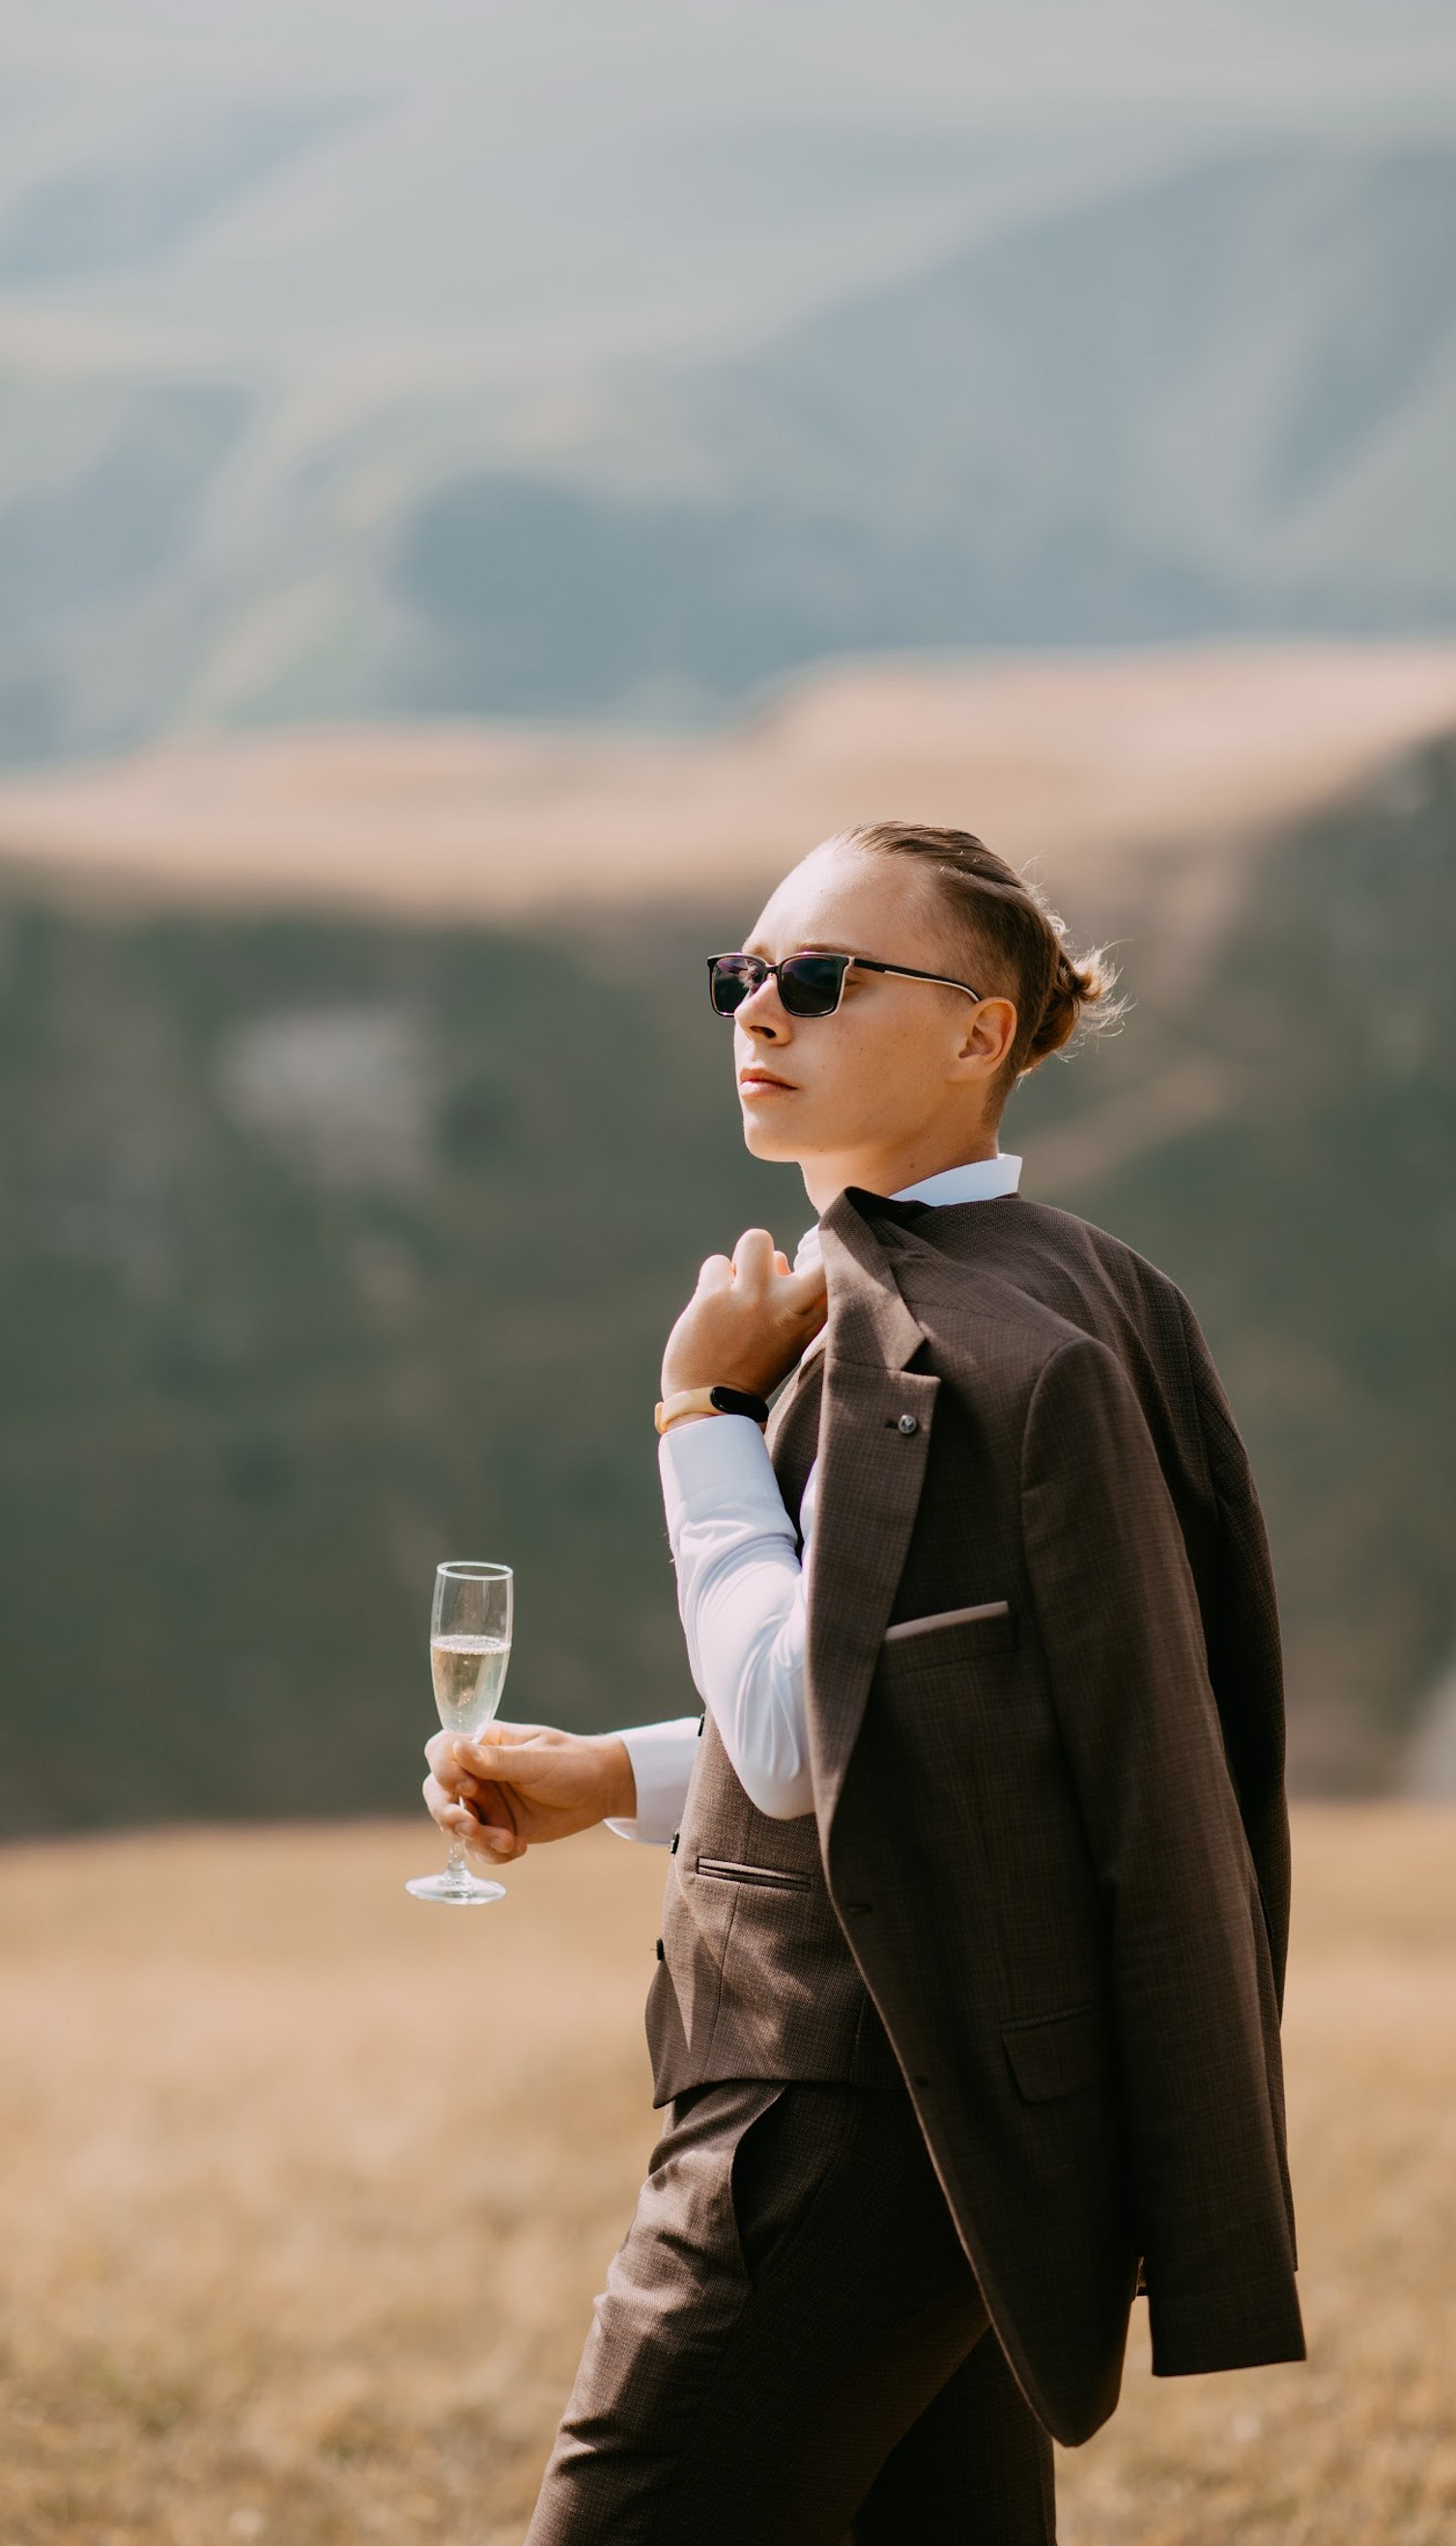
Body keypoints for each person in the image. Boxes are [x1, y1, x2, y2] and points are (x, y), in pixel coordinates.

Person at [424, 820, 1304, 2545]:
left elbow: (793, 1719)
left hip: (830, 2116)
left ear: (982, 1033)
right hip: (983, 2125)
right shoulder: (1102, 1298)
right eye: (738, 979)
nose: (760, 1014)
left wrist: (697, 1416)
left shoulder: (918, 1341)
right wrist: (613, 1778)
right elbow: (932, 1725)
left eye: (815, 980)